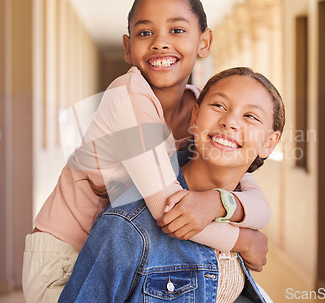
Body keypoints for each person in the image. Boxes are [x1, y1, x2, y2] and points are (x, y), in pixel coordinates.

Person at [22, 0, 270, 303]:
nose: (160, 44)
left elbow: (255, 197)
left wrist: (222, 202)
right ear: (128, 47)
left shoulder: (202, 110)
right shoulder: (126, 97)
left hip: (125, 255)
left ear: (204, 42)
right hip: (68, 259)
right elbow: (167, 211)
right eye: (144, 33)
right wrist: (243, 240)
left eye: (177, 30)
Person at [59, 67, 285, 303]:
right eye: (219, 105)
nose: (229, 122)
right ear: (195, 116)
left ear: (269, 143)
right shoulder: (128, 226)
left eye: (251, 116)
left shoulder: (242, 209)